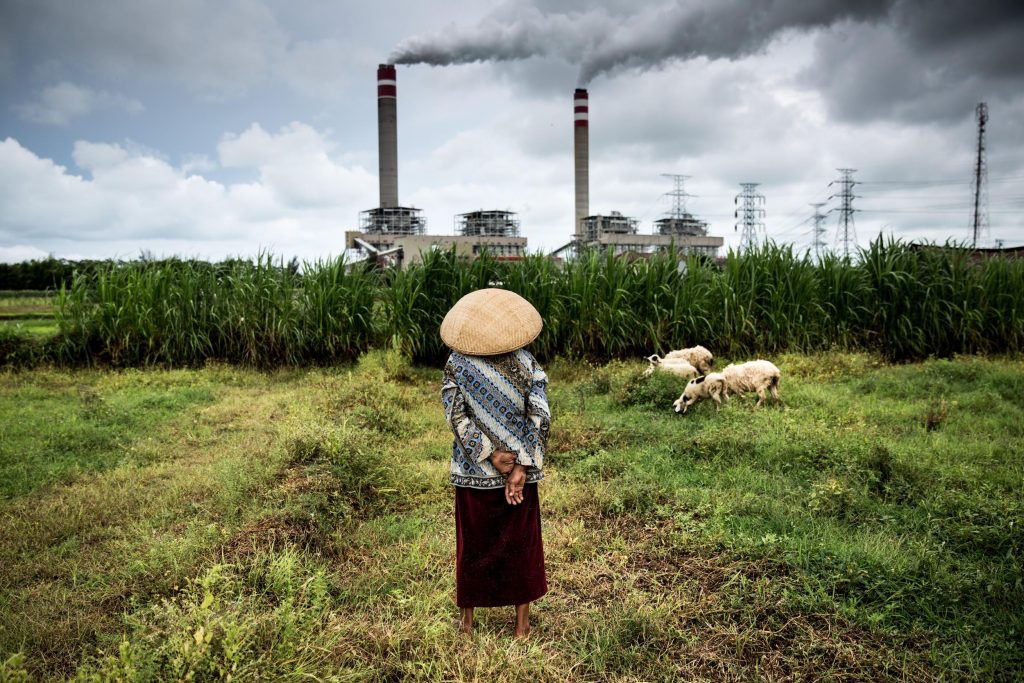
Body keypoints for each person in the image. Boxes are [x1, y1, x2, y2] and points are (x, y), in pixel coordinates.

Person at [439, 288, 550, 638]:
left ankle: (468, 624)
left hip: (473, 472)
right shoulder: (527, 362)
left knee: (472, 546)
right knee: (522, 545)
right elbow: (541, 418)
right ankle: (522, 626)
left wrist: (488, 454)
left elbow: (455, 416)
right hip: (520, 471)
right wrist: (520, 467)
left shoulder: (456, 363)